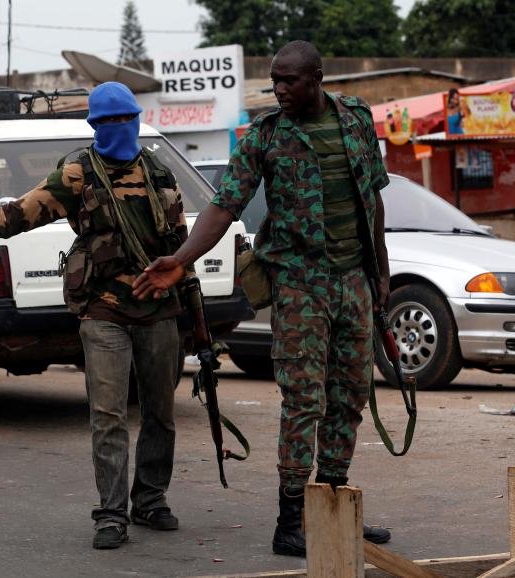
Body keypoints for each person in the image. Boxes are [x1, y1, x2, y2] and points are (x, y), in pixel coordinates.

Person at [0, 82, 186, 551]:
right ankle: (111, 514)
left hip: (158, 310)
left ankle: (150, 499)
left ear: (136, 118)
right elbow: (11, 218)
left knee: (161, 411)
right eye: (108, 121)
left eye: (125, 119)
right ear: (94, 125)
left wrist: (188, 309)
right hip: (102, 310)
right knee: (108, 415)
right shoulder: (75, 175)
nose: (118, 128)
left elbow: (179, 246)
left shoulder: (159, 173)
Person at [132, 40, 393, 556]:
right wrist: (181, 259)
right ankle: (291, 520)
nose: (279, 89)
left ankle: (334, 508)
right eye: (274, 79)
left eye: (289, 80)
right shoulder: (265, 137)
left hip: (354, 283)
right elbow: (225, 205)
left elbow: (373, 197)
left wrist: (380, 271)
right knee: (303, 402)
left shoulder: (357, 120)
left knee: (349, 399)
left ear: (316, 78)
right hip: (300, 284)